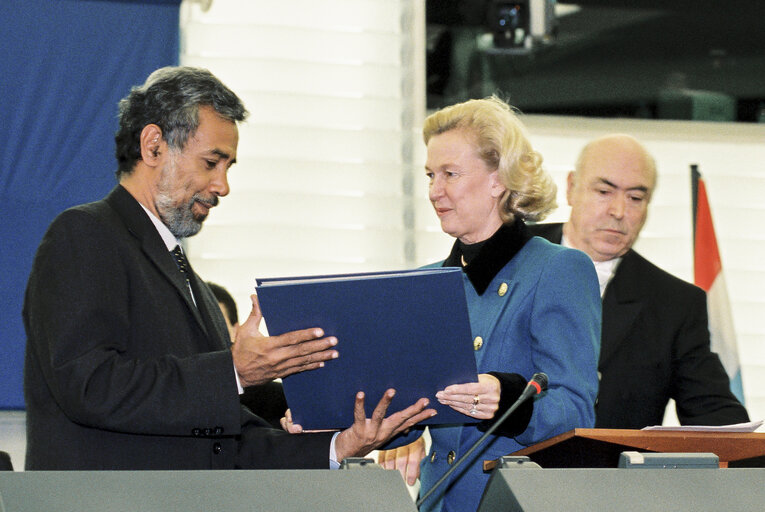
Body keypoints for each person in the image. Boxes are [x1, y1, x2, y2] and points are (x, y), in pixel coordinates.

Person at [22, 66, 435, 471]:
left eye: (228, 167)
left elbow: (224, 446)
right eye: (210, 163)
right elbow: (90, 385)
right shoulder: (84, 235)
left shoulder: (196, 288)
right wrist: (233, 371)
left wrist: (340, 446)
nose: (223, 186)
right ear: (153, 146)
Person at [375, 97, 601, 512]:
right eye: (430, 175)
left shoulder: (557, 269)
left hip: (511, 503)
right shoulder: (425, 283)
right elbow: (410, 415)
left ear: (498, 178)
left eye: (450, 174)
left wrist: (508, 397)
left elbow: (576, 411)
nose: (433, 191)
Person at [529, 133, 749, 428]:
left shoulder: (675, 305)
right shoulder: (508, 253)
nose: (619, 212)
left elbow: (719, 419)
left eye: (635, 198)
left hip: (607, 471)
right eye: (604, 192)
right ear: (571, 188)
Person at [208, 281, 289, 429]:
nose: (207, 337)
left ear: (236, 331)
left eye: (214, 326)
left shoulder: (279, 402)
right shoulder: (170, 397)